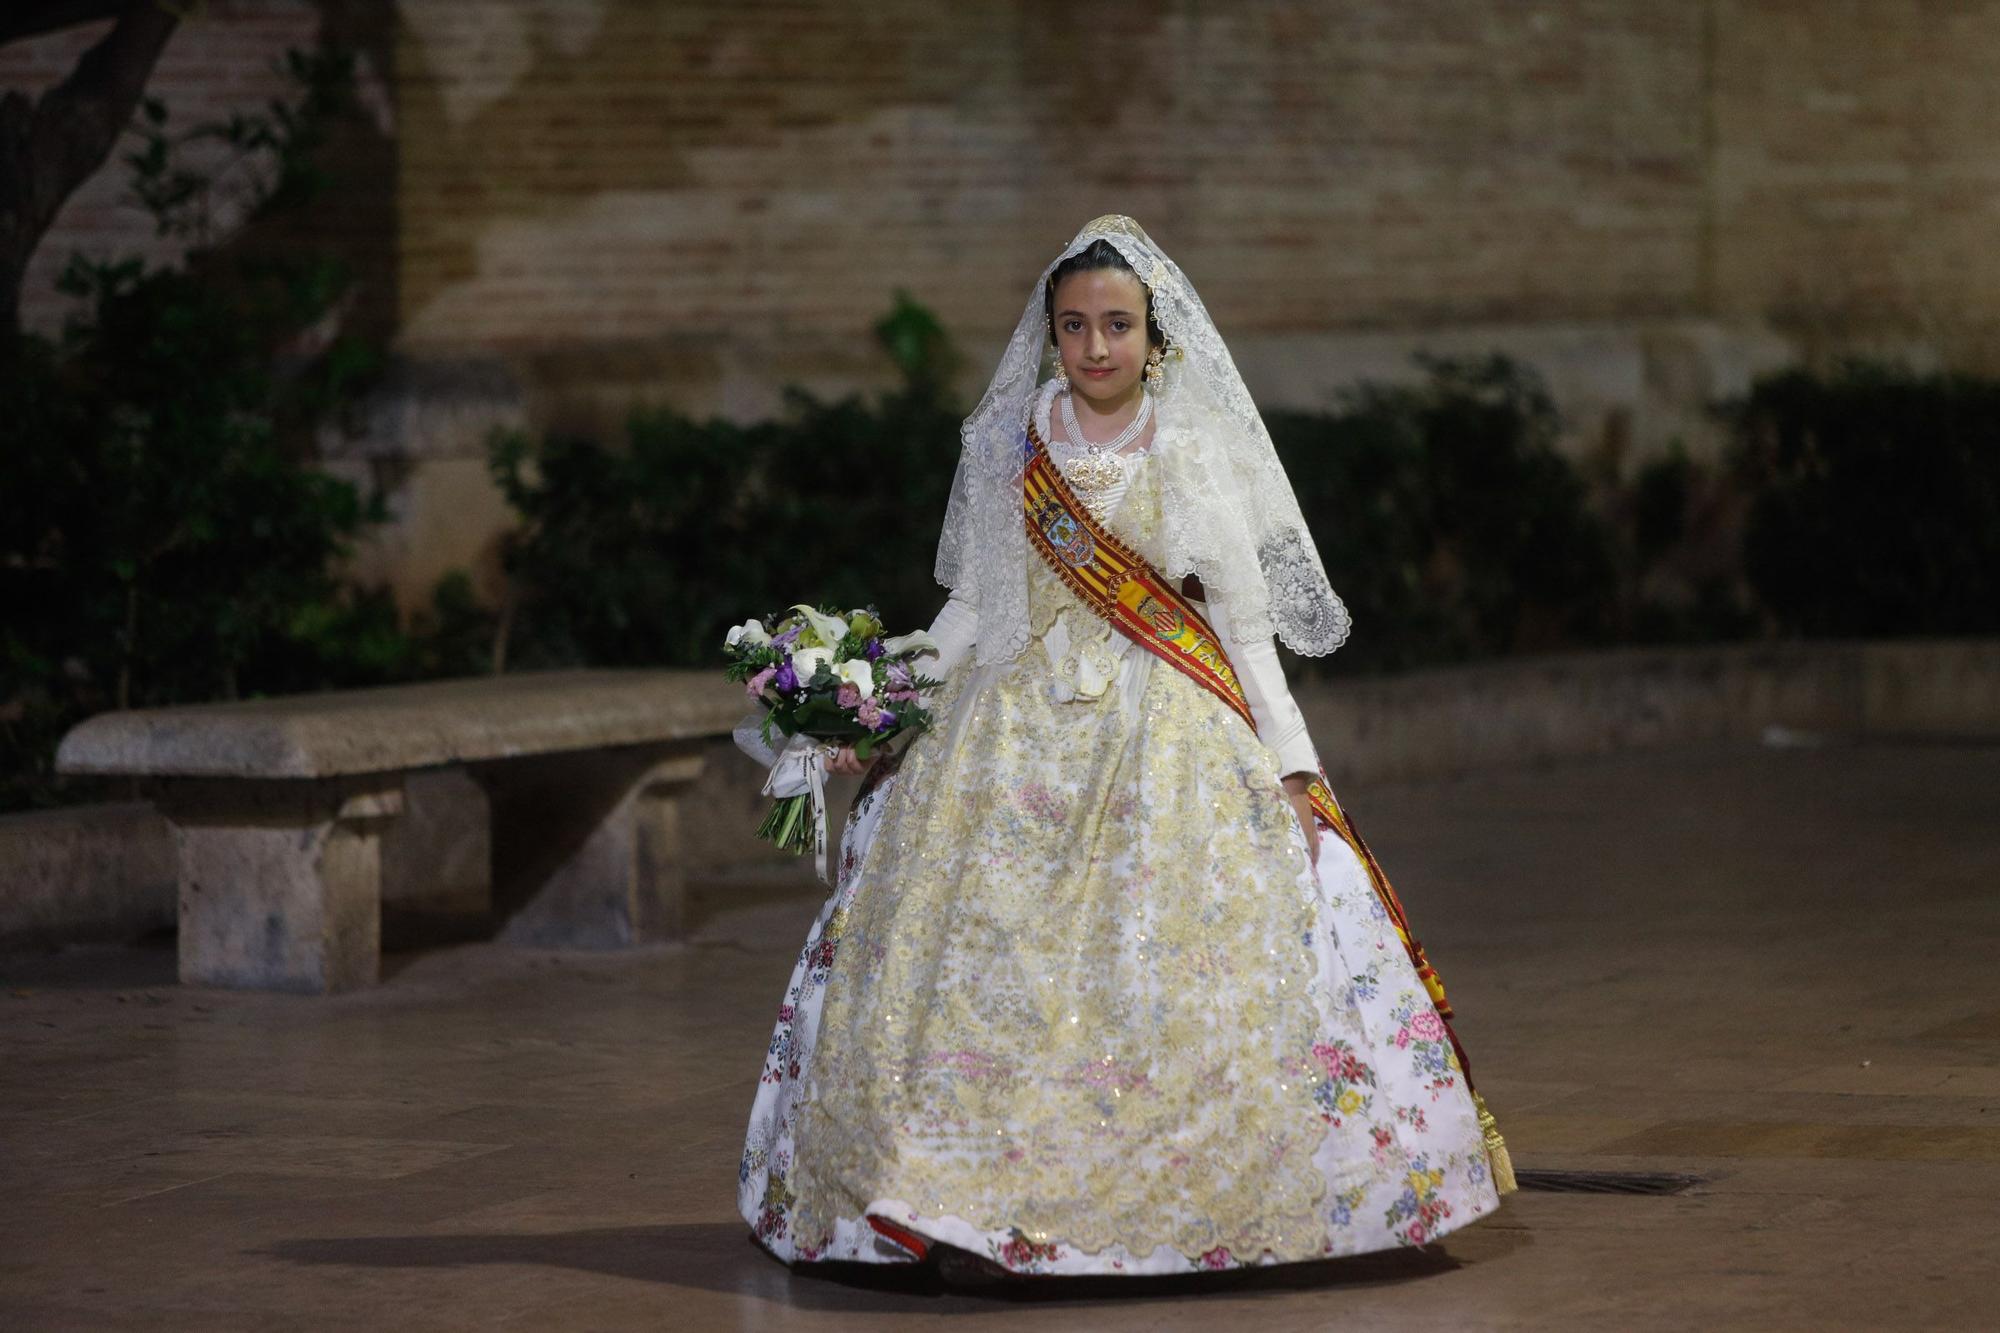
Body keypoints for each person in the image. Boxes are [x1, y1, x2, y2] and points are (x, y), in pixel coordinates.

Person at [737, 215, 1513, 1278]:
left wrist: (1295, 770)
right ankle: (945, 1194)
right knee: (969, 966)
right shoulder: (1009, 441)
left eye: (1115, 325)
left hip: (1162, 733)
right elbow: (968, 608)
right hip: (1008, 727)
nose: (1095, 346)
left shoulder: (1191, 452)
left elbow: (1241, 630)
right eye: (1073, 326)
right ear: (1048, 335)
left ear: (1155, 337)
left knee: (1170, 966)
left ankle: (1173, 1202)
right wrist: (870, 705)